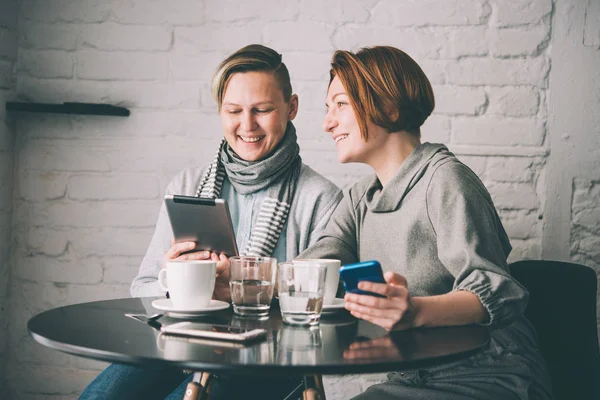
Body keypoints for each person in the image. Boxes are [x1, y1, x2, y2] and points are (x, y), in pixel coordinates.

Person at [80, 44, 342, 400]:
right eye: (234, 110)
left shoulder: (321, 198)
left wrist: (241, 289)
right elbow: (143, 289)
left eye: (262, 110)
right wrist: (178, 282)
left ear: (291, 108)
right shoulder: (187, 187)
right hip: (178, 349)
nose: (247, 125)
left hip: (266, 363)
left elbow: (328, 311)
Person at [297, 46, 554, 400]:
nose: (327, 122)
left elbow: (496, 289)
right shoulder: (360, 198)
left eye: (340, 104)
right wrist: (237, 282)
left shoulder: (445, 179)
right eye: (328, 109)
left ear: (389, 106)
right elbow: (308, 270)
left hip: (488, 376)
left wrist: (413, 310)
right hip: (410, 380)